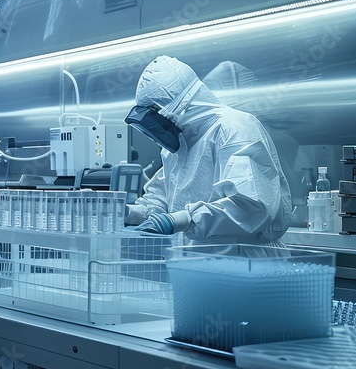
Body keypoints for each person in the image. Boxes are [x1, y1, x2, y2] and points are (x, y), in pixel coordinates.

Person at [124, 55, 292, 245]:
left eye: (158, 112)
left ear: (182, 105)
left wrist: (184, 219)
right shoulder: (180, 145)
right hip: (191, 262)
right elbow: (162, 199)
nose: (157, 123)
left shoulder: (234, 127)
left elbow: (252, 207)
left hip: (244, 262)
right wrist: (130, 212)